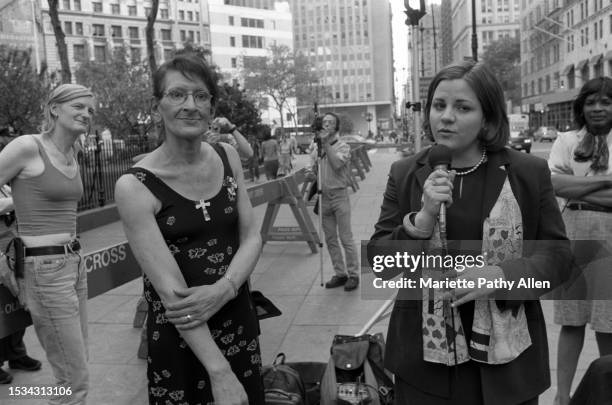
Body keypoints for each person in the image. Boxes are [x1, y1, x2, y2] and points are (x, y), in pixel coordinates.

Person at [369, 60, 570, 404]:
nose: (446, 116)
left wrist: (501, 275)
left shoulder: (527, 172)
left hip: (507, 365)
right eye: (439, 105)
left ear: (488, 119)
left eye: (463, 107)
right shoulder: (405, 173)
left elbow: (558, 256)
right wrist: (422, 221)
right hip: (424, 366)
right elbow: (381, 264)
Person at [115, 53, 264, 404]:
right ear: (158, 107)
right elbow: (172, 295)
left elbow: (251, 236)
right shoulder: (136, 186)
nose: (190, 105)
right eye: (177, 94)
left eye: (201, 96)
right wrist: (219, 371)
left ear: (211, 106)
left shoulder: (227, 156)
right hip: (182, 339)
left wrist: (225, 289)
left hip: (238, 319)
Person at [0, 83, 93, 404]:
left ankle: (27, 395)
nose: (87, 114)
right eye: (78, 107)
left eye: (90, 109)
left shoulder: (74, 150)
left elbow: (52, 201)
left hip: (75, 263)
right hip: (44, 269)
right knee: (74, 378)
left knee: (75, 365)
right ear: (54, 109)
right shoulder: (27, 146)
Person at [548, 76, 612, 405]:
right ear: (581, 107)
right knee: (571, 320)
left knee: (608, 322)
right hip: (573, 234)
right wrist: (606, 182)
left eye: (605, 102)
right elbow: (556, 186)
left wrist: (580, 187)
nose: (598, 108)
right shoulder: (567, 140)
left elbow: (569, 186)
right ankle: (562, 396)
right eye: (591, 102)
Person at [312, 112, 360, 291]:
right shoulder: (315, 147)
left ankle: (354, 275)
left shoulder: (343, 147)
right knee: (330, 239)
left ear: (336, 127)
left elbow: (337, 164)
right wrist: (312, 174)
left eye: (330, 123)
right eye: (324, 122)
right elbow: (314, 169)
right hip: (323, 197)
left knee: (346, 238)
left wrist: (325, 144)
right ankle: (340, 273)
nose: (326, 125)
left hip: (339, 196)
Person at [0, 185, 42, 384]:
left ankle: (16, 353)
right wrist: (22, 198)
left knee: (18, 303)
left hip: (12, 245)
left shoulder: (5, 186)